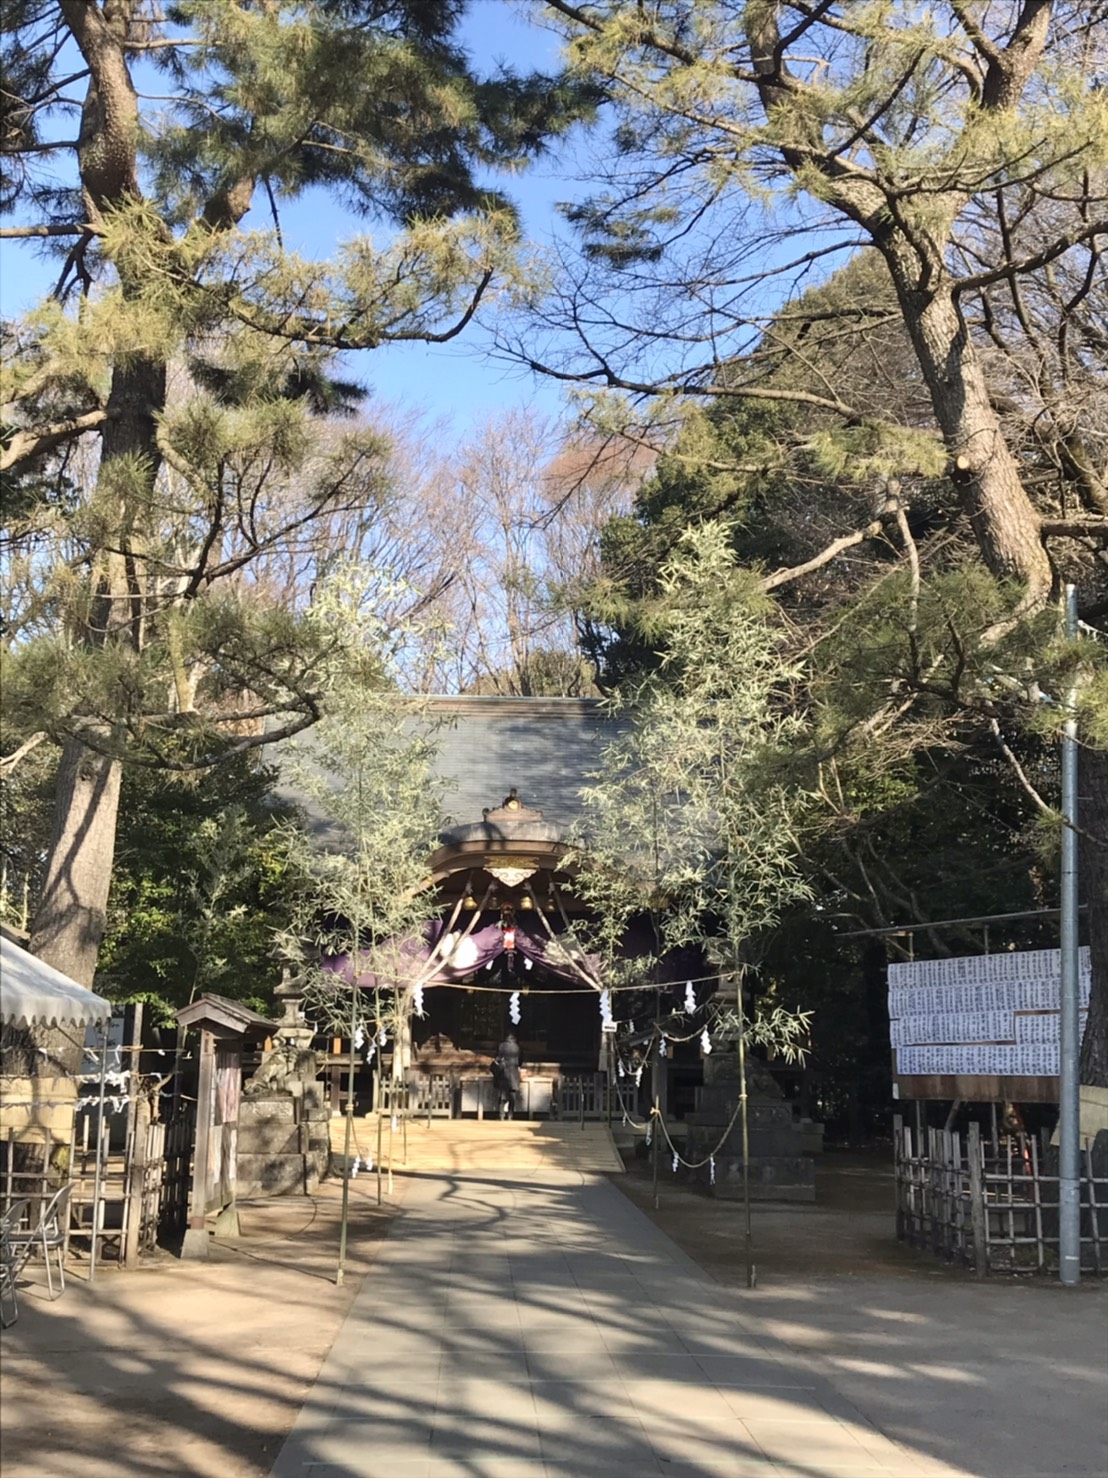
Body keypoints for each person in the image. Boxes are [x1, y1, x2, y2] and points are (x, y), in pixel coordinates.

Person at [493, 1032, 521, 1120]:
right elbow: (520, 1060)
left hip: (504, 1072)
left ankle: (501, 1114)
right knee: (512, 1095)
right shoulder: (517, 1047)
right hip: (514, 1072)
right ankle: (510, 1114)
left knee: (502, 1095)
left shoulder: (502, 1046)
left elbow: (498, 1058)